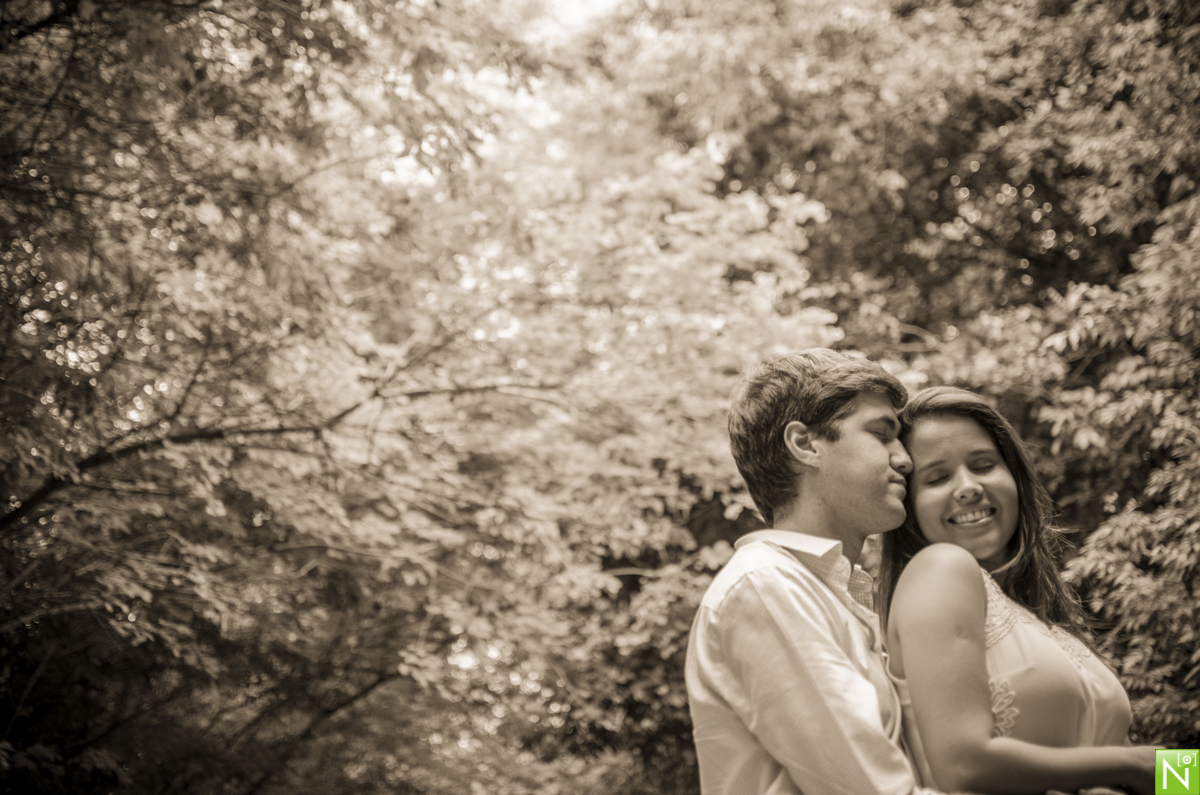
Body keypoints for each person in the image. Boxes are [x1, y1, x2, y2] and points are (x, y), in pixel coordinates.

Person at [877, 386, 1156, 795]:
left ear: (1014, 477)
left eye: (984, 465)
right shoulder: (940, 569)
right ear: (912, 508)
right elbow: (964, 765)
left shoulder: (1043, 619)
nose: (968, 486)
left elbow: (1138, 767)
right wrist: (1133, 764)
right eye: (937, 478)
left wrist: (1185, 774)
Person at [685, 349, 938, 795]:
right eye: (882, 435)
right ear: (805, 445)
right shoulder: (767, 588)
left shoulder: (831, 589)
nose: (905, 459)